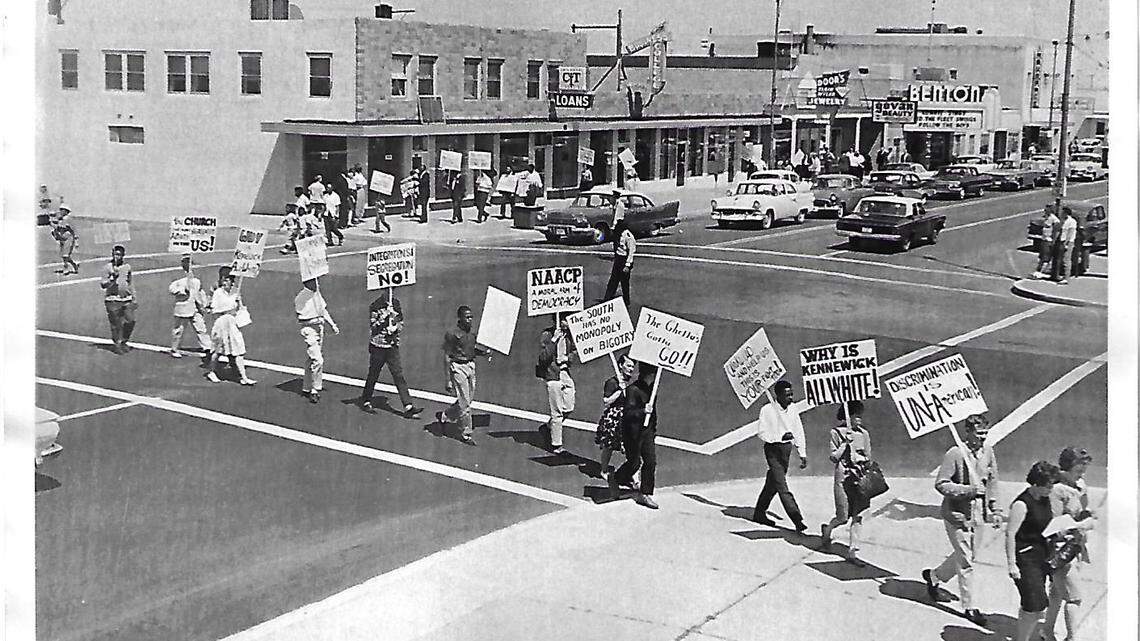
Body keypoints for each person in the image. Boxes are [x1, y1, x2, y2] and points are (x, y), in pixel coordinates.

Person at [922, 414, 999, 626]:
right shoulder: (956, 453)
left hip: (978, 515)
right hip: (956, 515)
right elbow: (941, 484)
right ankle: (969, 607)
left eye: (985, 433)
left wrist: (996, 508)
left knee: (968, 555)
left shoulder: (988, 452)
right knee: (966, 561)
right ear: (968, 432)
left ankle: (934, 576)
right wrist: (969, 490)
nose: (983, 438)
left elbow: (992, 481)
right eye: (979, 433)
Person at [1042, 448, 1097, 641]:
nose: (1082, 474)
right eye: (1078, 470)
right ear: (1066, 468)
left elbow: (1086, 508)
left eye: (1084, 470)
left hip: (1076, 547)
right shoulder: (1056, 490)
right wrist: (1080, 525)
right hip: (1060, 550)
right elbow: (1053, 526)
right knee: (1074, 597)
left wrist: (1088, 517)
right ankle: (1072, 638)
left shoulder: (1080, 485)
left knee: (1057, 592)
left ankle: (1046, 631)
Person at [1006, 461, 1064, 641]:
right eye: (1048, 486)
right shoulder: (1022, 504)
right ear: (1036, 484)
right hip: (1025, 558)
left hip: (1041, 555)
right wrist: (1012, 564)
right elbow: (1010, 535)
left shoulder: (1044, 498)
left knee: (1035, 604)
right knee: (1033, 604)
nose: (1051, 489)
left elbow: (1045, 525)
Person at [751, 380, 809, 531]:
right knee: (782, 486)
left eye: (791, 394)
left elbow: (798, 430)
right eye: (787, 395)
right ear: (778, 396)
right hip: (772, 450)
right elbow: (762, 433)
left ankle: (759, 513)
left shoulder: (793, 409)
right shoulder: (767, 410)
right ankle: (797, 519)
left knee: (773, 483)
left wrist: (802, 452)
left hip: (786, 450)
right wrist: (779, 437)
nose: (791, 398)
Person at [820, 400, 871, 566]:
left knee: (858, 516)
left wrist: (863, 462)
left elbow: (869, 456)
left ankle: (852, 552)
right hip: (843, 477)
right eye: (856, 416)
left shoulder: (864, 434)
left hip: (860, 477)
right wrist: (845, 444)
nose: (859, 419)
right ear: (848, 417)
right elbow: (833, 457)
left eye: (860, 416)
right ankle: (827, 530)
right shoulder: (836, 432)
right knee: (843, 516)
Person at [359, 292, 423, 418]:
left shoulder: (396, 304)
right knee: (373, 374)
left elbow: (400, 322)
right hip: (378, 346)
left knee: (398, 375)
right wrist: (383, 318)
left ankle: (408, 405)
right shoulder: (375, 306)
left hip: (392, 346)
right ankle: (366, 399)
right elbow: (373, 326)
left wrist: (395, 328)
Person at [438, 306, 493, 445]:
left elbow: (471, 349)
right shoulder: (452, 334)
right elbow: (446, 356)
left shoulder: (472, 333)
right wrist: (447, 380)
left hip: (470, 366)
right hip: (458, 367)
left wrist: (483, 352)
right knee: (465, 404)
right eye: (467, 317)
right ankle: (465, 433)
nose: (470, 320)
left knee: (467, 400)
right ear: (460, 318)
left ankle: (446, 416)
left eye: (471, 317)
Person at [611, 362, 660, 509]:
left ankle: (645, 493)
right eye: (654, 374)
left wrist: (653, 429)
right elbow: (628, 413)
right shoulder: (633, 390)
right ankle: (617, 478)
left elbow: (653, 413)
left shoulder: (652, 389)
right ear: (648, 375)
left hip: (647, 431)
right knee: (634, 462)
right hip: (632, 433)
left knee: (650, 461)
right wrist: (643, 411)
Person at [205, 268, 256, 385]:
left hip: (232, 323)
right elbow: (215, 310)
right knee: (217, 350)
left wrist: (239, 303)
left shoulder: (236, 291)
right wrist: (231, 308)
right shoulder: (218, 293)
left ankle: (243, 376)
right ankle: (211, 371)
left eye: (229, 280)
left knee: (238, 350)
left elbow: (241, 309)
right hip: (221, 323)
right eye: (225, 280)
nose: (227, 282)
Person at [295, 278, 339, 404]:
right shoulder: (300, 298)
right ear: (307, 283)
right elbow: (301, 320)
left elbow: (323, 311)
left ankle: (306, 386)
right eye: (314, 281)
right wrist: (317, 321)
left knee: (311, 358)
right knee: (318, 360)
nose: (317, 283)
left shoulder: (317, 293)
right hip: (309, 330)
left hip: (319, 329)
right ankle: (315, 389)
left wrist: (332, 324)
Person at [537, 318, 576, 455]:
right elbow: (543, 358)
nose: (568, 322)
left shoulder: (570, 335)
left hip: (565, 373)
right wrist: (554, 340)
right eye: (565, 319)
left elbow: (575, 352)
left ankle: (548, 427)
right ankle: (556, 445)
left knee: (569, 406)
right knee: (557, 412)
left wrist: (567, 358)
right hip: (552, 375)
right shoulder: (547, 335)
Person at [596, 354, 635, 479]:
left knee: (632, 446)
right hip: (614, 417)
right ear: (620, 366)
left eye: (633, 366)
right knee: (609, 446)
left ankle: (634, 475)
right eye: (628, 365)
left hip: (628, 416)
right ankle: (604, 470)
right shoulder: (612, 382)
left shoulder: (631, 382)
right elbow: (606, 401)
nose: (631, 369)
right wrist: (619, 391)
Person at [168, 255, 212, 358]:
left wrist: (205, 305)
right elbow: (172, 289)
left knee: (201, 328)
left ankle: (207, 347)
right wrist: (182, 290)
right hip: (182, 309)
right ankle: (174, 349)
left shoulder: (196, 281)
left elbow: (200, 293)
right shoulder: (179, 281)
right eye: (185, 263)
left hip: (194, 309)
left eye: (189, 263)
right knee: (179, 329)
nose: (187, 265)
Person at [99, 245, 137, 355]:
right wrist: (112, 278)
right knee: (116, 324)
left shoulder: (127, 267)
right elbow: (103, 285)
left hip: (126, 299)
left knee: (131, 321)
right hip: (112, 300)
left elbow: (130, 282)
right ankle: (117, 344)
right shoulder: (107, 268)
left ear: (123, 255)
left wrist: (134, 297)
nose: (117, 256)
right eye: (115, 254)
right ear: (112, 254)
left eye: (119, 254)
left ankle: (124, 340)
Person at [603, 218, 635, 307]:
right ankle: (607, 300)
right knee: (613, 281)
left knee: (624, 283)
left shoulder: (628, 236)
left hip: (624, 260)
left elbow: (631, 252)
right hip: (618, 259)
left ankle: (626, 301)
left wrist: (627, 265)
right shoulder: (618, 234)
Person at [51, 205, 79, 275]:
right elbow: (58, 228)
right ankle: (74, 264)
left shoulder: (68, 219)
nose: (60, 211)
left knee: (65, 255)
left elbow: (73, 230)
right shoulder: (61, 219)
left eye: (62, 210)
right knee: (64, 255)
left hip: (69, 238)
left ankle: (66, 268)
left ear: (66, 211)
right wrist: (51, 224)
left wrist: (76, 241)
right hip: (62, 238)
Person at [1033, 207, 1060, 279]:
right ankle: (1037, 271)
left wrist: (1053, 241)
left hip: (1048, 240)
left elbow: (1056, 231)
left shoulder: (1054, 220)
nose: (1045, 211)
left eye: (1046, 210)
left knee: (1045, 257)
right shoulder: (1047, 218)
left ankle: (1041, 273)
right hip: (1044, 239)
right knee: (1041, 257)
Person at [1055, 207, 1077, 285]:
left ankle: (1066, 278)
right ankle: (1061, 276)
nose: (1061, 214)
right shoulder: (1063, 221)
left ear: (1066, 213)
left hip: (1068, 242)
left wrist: (1066, 244)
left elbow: (1070, 233)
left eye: (1062, 213)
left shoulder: (1072, 221)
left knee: (1066, 260)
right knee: (1061, 259)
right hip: (1062, 241)